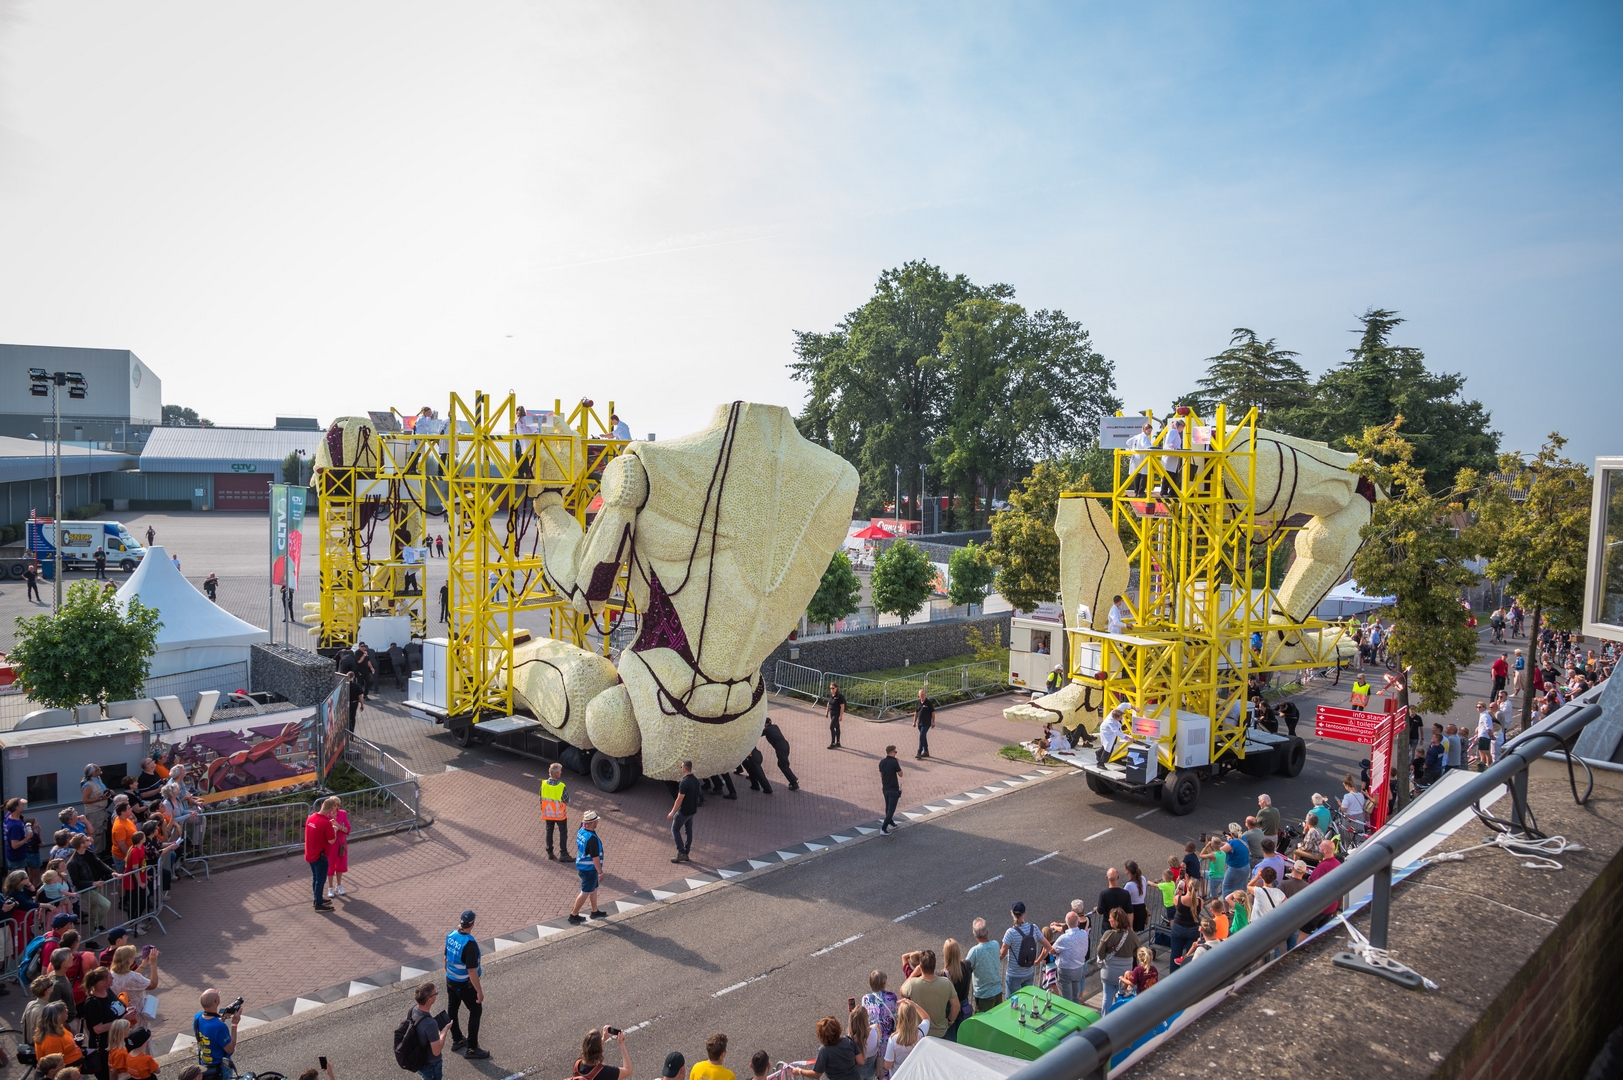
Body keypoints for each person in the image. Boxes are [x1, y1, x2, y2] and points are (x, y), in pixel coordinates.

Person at [443, 910, 488, 1059]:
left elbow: (445, 959)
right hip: (464, 984)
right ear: (473, 923)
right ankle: (472, 1048)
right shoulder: (470, 944)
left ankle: (457, 1039)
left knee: (452, 1009)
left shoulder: (451, 935)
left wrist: (449, 975)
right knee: (475, 1011)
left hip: (450, 980)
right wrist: (479, 991)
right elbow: (471, 971)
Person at [898, 948, 957, 1036]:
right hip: (940, 1032)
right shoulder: (946, 983)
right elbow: (956, 1006)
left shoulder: (912, 983)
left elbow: (901, 991)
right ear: (934, 965)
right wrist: (949, 1021)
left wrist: (913, 974)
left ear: (920, 967)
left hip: (919, 1032)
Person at [999, 902, 1047, 998]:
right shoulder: (1034, 928)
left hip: (1014, 974)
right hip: (1029, 972)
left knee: (1012, 1002)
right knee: (1026, 999)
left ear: (1011, 913)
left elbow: (1002, 955)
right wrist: (1038, 961)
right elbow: (1048, 947)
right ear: (1025, 913)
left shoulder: (1010, 933)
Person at [567, 810, 608, 923]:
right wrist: (600, 872)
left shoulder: (581, 830)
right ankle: (573, 915)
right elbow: (595, 858)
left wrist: (585, 816)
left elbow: (582, 823)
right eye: (595, 821)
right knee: (585, 892)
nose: (597, 822)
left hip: (582, 865)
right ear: (591, 823)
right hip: (589, 869)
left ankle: (594, 911)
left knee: (593, 889)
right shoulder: (592, 839)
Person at [1096, 908, 1139, 1012]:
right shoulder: (1132, 935)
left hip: (1109, 971)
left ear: (1116, 921)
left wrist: (1104, 957)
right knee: (1120, 997)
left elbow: (1100, 951)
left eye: (1110, 918)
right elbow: (1137, 951)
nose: (1108, 920)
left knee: (1107, 997)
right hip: (1125, 973)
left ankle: (1105, 1018)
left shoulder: (1108, 934)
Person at [795, 1015, 863, 1080]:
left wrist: (800, 1071)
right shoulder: (849, 1041)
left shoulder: (824, 1051)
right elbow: (861, 1061)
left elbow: (817, 1074)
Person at [194, 988, 240, 1080]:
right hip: (220, 1068)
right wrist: (234, 1024)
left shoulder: (198, 1017)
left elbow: (209, 1028)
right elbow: (230, 1049)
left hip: (204, 1063)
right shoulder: (219, 1027)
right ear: (216, 1001)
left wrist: (222, 1017)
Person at [405, 983, 449, 1080]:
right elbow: (436, 1051)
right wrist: (444, 1031)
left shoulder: (413, 1010)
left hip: (418, 1059)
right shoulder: (430, 1024)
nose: (436, 995)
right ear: (429, 1000)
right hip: (430, 1065)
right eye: (435, 994)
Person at [109, 944, 159, 1021]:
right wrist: (153, 964)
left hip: (120, 1013)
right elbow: (153, 985)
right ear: (128, 959)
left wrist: (143, 964)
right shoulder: (133, 977)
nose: (134, 958)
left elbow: (130, 977)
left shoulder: (111, 974)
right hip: (135, 1015)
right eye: (133, 956)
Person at [304, 799, 337, 912]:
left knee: (315, 878)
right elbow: (331, 840)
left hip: (310, 854)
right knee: (320, 880)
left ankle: (317, 899)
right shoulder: (325, 823)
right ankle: (318, 904)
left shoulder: (311, 818)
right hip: (320, 856)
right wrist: (335, 830)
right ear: (331, 809)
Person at [964, 919, 1003, 1013]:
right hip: (997, 991)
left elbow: (965, 969)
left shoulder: (974, 951)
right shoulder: (995, 944)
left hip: (983, 996)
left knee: (982, 1021)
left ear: (974, 934)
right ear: (987, 932)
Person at [1050, 911, 1090, 1004]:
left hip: (1065, 971)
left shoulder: (1063, 938)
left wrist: (1057, 953)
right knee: (1075, 997)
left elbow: (1051, 950)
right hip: (1079, 969)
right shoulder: (1084, 934)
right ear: (1078, 922)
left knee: (1066, 1000)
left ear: (1066, 923)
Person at [667, 760, 702, 864]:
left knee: (675, 830)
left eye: (681, 766)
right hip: (692, 811)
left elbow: (679, 799)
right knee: (689, 831)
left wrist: (672, 812)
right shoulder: (696, 780)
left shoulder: (684, 782)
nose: (681, 768)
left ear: (685, 768)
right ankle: (687, 851)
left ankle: (681, 852)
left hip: (684, 811)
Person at [541, 763, 574, 861]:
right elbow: (566, 799)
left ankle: (550, 852)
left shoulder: (544, 784)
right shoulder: (561, 786)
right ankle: (563, 854)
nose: (561, 773)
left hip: (548, 813)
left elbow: (541, 798)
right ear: (556, 774)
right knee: (563, 833)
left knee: (549, 831)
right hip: (559, 814)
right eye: (560, 771)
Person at [761, 717, 800, 790]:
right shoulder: (775, 726)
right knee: (782, 764)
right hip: (785, 744)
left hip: (780, 748)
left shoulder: (767, 730)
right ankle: (792, 778)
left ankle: (794, 782)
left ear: (766, 724)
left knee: (783, 765)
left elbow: (758, 734)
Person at [326, 797, 351, 898]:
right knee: (330, 865)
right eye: (331, 805)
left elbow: (348, 829)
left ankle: (339, 885)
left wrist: (339, 827)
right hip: (330, 844)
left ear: (337, 806)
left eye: (335, 805)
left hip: (341, 844)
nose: (333, 808)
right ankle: (330, 887)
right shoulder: (326, 815)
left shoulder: (343, 813)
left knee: (340, 864)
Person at [1126, 420, 1154, 497]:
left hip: (1136, 457)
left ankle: (1136, 491)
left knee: (1137, 474)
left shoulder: (1136, 436)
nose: (1150, 433)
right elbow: (1144, 445)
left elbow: (1128, 442)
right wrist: (1151, 448)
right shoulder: (1144, 437)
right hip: (1142, 457)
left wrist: (1132, 449)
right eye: (1149, 431)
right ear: (1145, 430)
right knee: (1144, 474)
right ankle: (1141, 492)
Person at [878, 746, 902, 835]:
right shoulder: (894, 762)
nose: (896, 753)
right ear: (892, 753)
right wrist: (898, 764)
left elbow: (881, 775)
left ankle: (891, 823)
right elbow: (900, 774)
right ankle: (883, 828)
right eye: (895, 752)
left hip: (885, 787)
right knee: (891, 810)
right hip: (893, 788)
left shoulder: (882, 762)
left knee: (887, 807)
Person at [913, 690, 933, 759]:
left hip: (926, 723)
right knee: (923, 737)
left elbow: (933, 712)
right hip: (920, 723)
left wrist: (933, 722)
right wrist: (914, 722)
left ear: (925, 695)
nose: (922, 696)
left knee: (921, 737)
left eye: (923, 694)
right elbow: (916, 713)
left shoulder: (928, 703)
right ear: (919, 695)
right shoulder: (918, 703)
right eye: (921, 695)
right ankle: (926, 751)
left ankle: (919, 752)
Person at [826, 684, 846, 749]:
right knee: (837, 727)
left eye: (833, 688)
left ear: (836, 688)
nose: (831, 690)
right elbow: (828, 703)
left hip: (836, 714)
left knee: (831, 727)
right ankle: (838, 742)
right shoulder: (831, 695)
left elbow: (842, 707)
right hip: (831, 713)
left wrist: (840, 716)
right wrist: (827, 711)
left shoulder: (839, 696)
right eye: (830, 688)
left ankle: (833, 743)